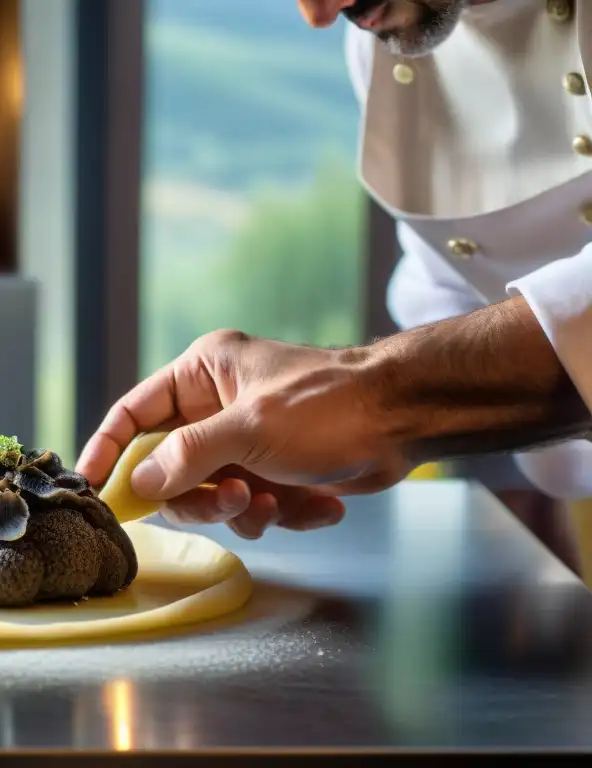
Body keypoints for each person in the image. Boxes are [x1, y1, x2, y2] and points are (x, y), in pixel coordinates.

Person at [75, 0, 592, 544]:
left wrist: (375, 397)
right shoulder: (387, 39)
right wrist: (327, 431)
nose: (320, 14)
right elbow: (448, 286)